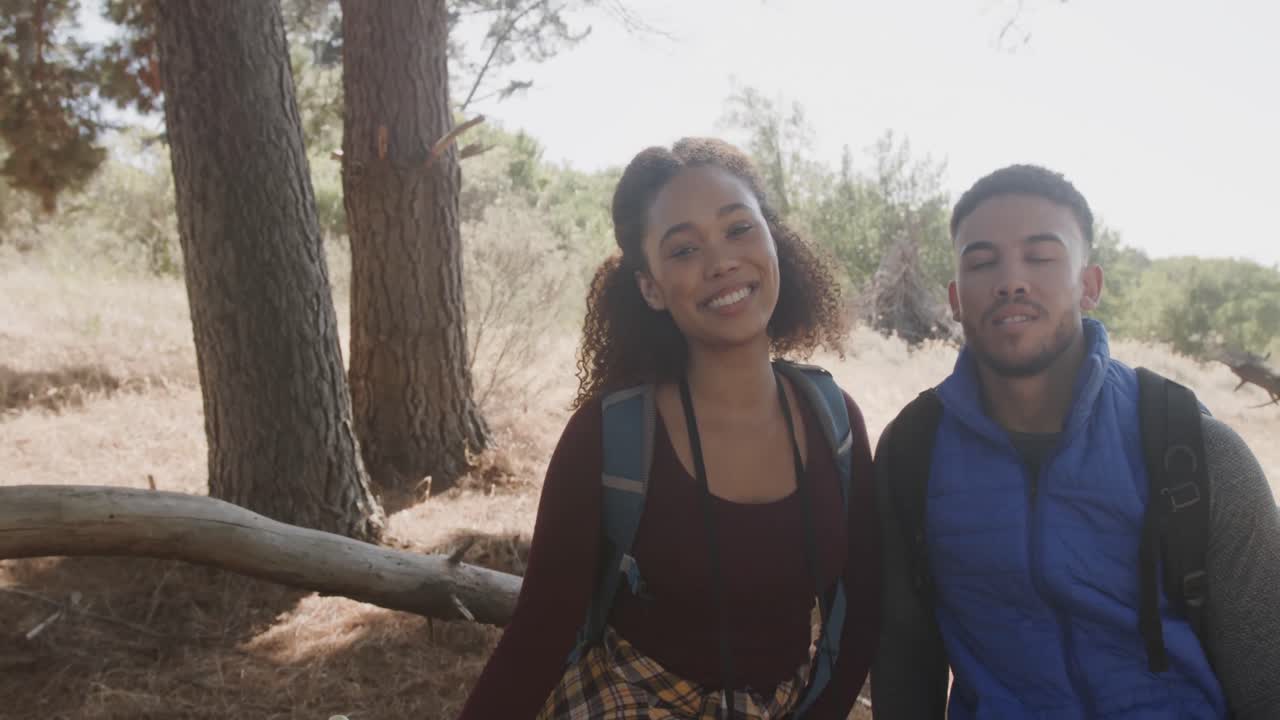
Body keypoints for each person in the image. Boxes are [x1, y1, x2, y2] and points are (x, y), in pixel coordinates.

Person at [457, 137, 881, 719]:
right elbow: (538, 634)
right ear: (650, 287)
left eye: (738, 229)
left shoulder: (834, 419)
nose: (721, 261)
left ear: (773, 241)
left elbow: (861, 609)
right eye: (683, 249)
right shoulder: (608, 437)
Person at [870, 163, 1280, 719]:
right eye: (982, 260)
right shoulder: (912, 452)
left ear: (1090, 285)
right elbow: (902, 661)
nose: (1011, 279)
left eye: (1041, 256)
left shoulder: (1195, 452)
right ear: (956, 298)